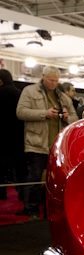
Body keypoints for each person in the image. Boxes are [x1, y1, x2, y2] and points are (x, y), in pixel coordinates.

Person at [16, 65, 78, 220]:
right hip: (37, 143)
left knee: (54, 180)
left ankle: (48, 210)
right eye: (51, 80)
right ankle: (31, 210)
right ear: (43, 76)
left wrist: (66, 117)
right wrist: (44, 114)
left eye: (56, 81)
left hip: (56, 145)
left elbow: (74, 118)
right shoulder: (29, 91)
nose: (53, 83)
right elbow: (20, 112)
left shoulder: (62, 96)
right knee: (34, 178)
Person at [0, 69, 25, 201]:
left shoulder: (1, 93)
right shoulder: (19, 93)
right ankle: (22, 194)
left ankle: (1, 193)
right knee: (20, 168)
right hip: (19, 136)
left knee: (2, 167)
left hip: (3, 137)